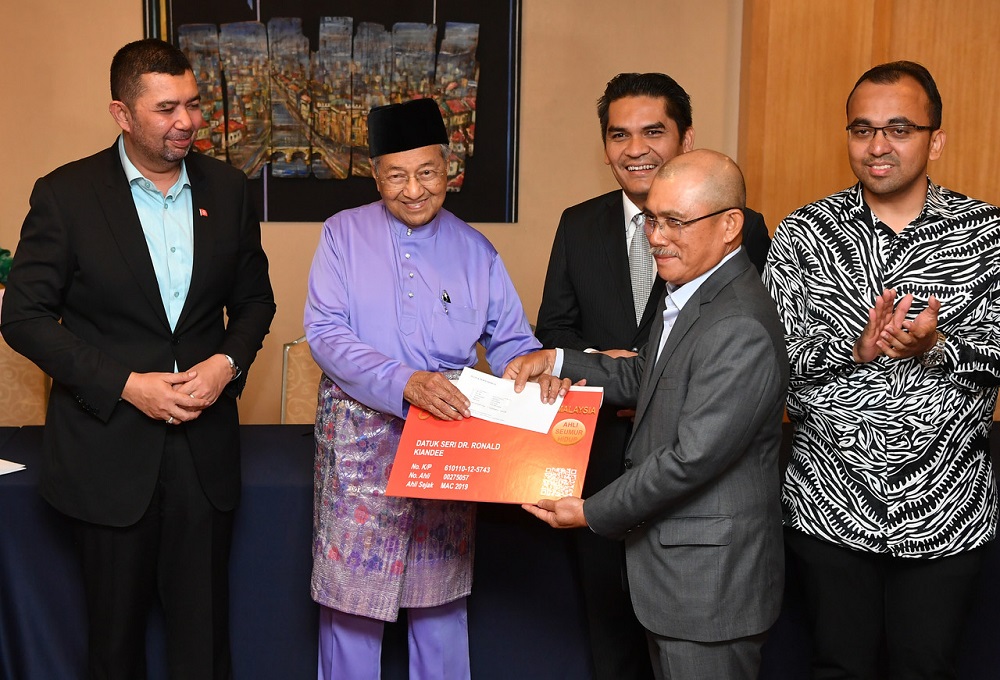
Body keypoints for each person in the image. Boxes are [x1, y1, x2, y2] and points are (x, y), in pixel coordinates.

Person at [0, 39, 275, 679]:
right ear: (122, 114)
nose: (187, 121)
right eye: (166, 108)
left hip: (204, 458)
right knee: (114, 649)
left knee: (203, 647)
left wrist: (226, 365)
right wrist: (126, 385)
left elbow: (256, 302)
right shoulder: (66, 195)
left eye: (195, 104)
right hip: (107, 456)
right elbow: (24, 317)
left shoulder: (229, 190)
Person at [506, 149, 788, 680]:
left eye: (676, 222)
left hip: (709, 587)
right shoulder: (692, 289)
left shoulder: (737, 324)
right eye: (652, 219)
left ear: (731, 226)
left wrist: (590, 512)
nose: (656, 236)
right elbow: (647, 379)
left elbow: (690, 459)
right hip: (678, 576)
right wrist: (558, 358)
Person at [763, 60, 1000, 679]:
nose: (878, 145)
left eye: (899, 128)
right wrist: (856, 351)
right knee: (836, 669)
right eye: (862, 129)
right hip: (828, 507)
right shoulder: (802, 235)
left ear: (935, 140)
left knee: (928, 669)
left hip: (949, 510)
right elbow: (769, 366)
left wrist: (937, 344)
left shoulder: (987, 236)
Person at [304, 97, 541, 680]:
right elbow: (326, 333)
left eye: (427, 172)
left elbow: (511, 341)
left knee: (439, 604)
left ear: (449, 169)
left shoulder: (476, 250)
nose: (414, 189)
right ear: (375, 174)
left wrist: (531, 366)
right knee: (351, 607)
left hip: (447, 440)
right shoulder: (341, 235)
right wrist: (402, 382)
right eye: (396, 175)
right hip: (360, 444)